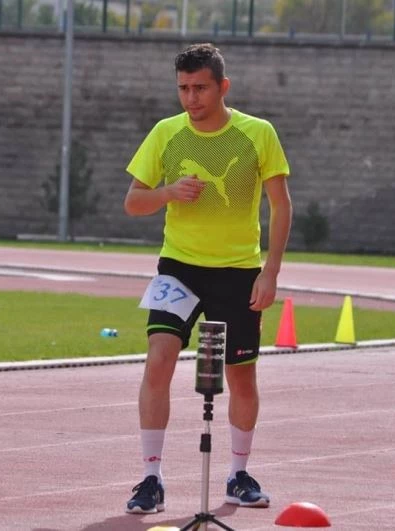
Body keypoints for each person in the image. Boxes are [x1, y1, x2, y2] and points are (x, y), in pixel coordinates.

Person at [123, 43, 292, 514]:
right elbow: (133, 202)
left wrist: (270, 272)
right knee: (158, 359)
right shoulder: (166, 133)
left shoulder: (257, 134)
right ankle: (151, 478)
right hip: (179, 268)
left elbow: (281, 206)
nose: (191, 98)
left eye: (200, 88)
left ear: (223, 87)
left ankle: (238, 474)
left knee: (241, 375)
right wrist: (168, 193)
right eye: (183, 88)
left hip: (238, 272)